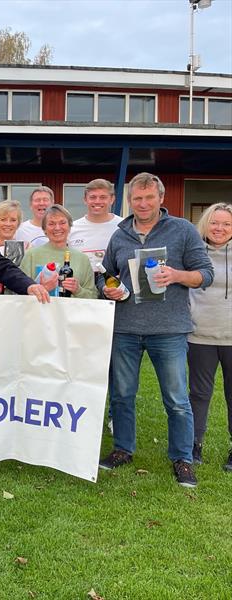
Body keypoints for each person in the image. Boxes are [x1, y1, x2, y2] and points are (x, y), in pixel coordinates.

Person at [98, 172, 213, 488]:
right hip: (125, 327)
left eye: (149, 197)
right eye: (137, 198)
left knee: (176, 399)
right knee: (122, 395)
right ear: (130, 200)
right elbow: (106, 273)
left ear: (161, 199)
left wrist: (176, 275)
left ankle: (182, 459)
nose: (143, 203)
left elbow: (206, 274)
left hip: (169, 329)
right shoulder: (120, 234)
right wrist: (109, 286)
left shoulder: (183, 230)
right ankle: (122, 450)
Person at [187, 203, 232, 470]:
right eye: (214, 223)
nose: (220, 228)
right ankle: (194, 445)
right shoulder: (193, 252)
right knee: (199, 394)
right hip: (199, 335)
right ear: (205, 224)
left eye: (226, 224)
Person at [20, 205, 97, 299]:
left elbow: (93, 296)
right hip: (40, 312)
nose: (57, 228)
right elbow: (19, 293)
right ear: (44, 229)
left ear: (69, 227)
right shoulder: (31, 255)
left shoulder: (82, 259)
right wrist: (42, 289)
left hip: (72, 313)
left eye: (62, 223)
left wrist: (78, 290)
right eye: (51, 224)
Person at [68, 179, 123, 274]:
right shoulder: (72, 228)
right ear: (85, 199)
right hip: (81, 287)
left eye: (103, 197)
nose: (97, 201)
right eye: (93, 197)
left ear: (112, 199)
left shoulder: (123, 226)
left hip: (115, 286)